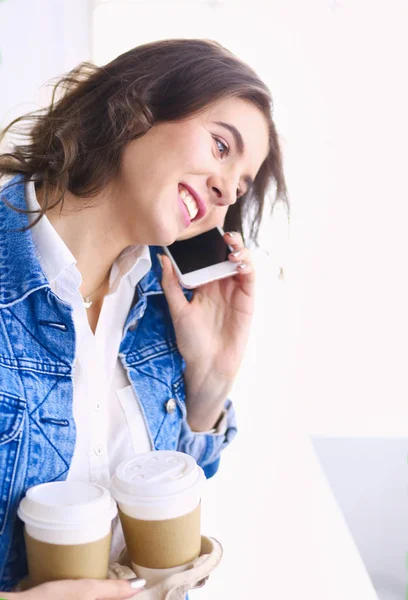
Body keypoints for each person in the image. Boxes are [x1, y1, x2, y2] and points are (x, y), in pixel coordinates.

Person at [0, 38, 287, 597]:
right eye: (221, 147)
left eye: (241, 186)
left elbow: (167, 502)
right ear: (136, 106)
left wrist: (207, 388)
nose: (227, 188)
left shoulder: (163, 303)